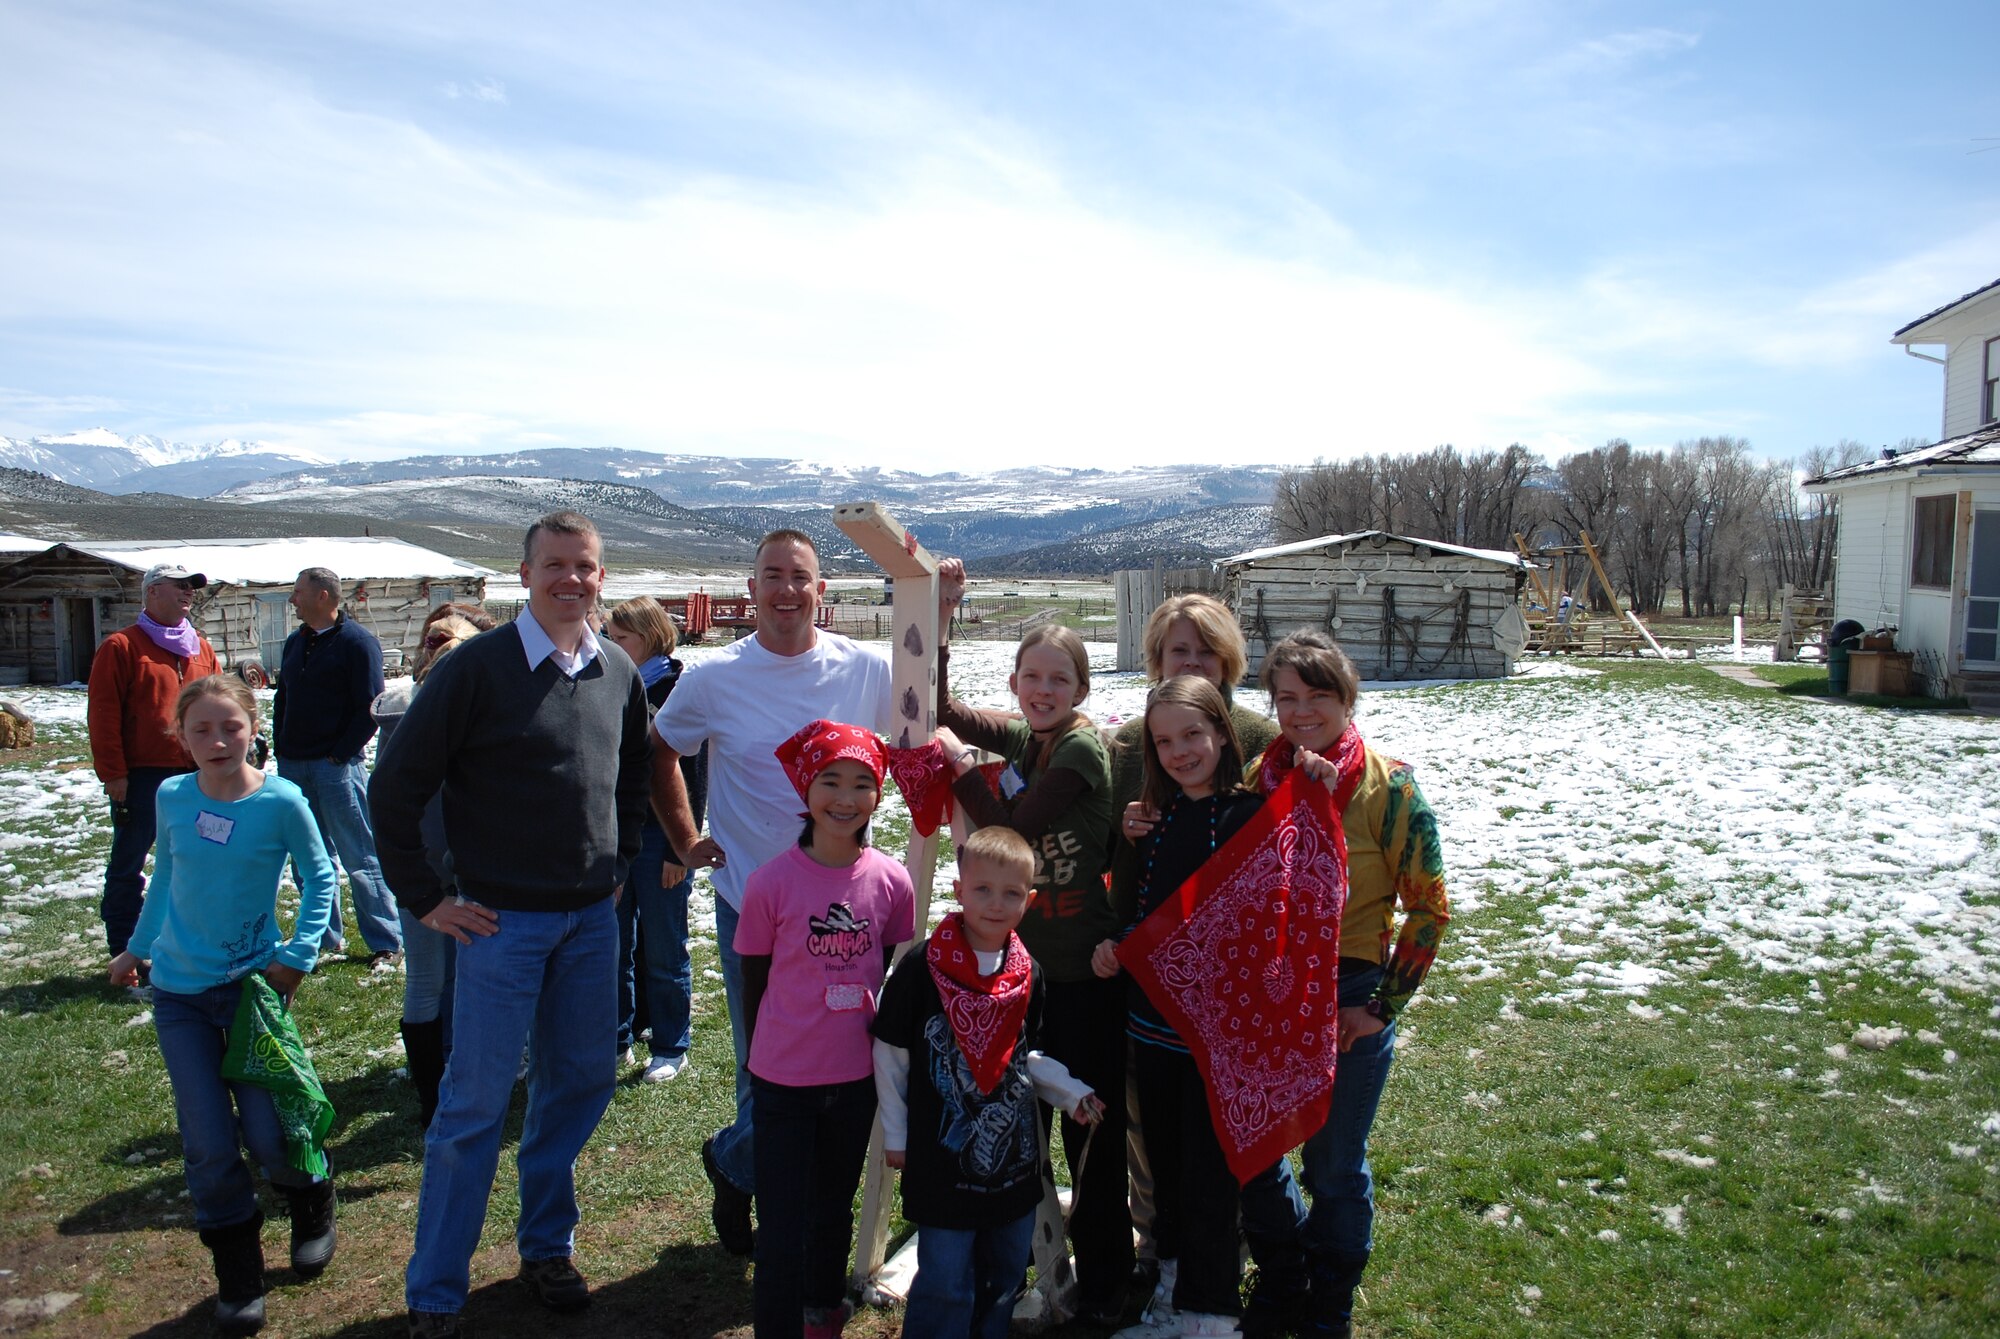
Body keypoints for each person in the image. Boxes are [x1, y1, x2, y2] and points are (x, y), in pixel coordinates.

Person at [368, 512, 653, 1338]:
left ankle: (546, 1245)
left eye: (585, 565)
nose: (572, 578)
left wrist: (620, 861)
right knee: (474, 1105)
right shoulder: (476, 669)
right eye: (554, 564)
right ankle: (435, 1289)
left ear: (602, 576)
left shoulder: (616, 670)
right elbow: (395, 786)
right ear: (524, 574)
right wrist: (425, 897)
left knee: (580, 1083)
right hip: (499, 924)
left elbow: (632, 773)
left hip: (590, 923)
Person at [649, 529, 893, 1256]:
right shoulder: (715, 678)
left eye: (801, 576)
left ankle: (737, 1163)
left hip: (846, 907)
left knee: (844, 1062)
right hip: (751, 904)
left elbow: (923, 725)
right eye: (773, 576)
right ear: (751, 588)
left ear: (822, 590)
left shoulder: (867, 670)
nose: (787, 590)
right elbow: (660, 750)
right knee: (765, 1063)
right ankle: (784, 1215)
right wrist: (684, 837)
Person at [107, 674, 340, 1336]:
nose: (217, 740)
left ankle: (313, 1198)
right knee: (208, 1144)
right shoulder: (173, 796)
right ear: (179, 737)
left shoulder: (280, 801)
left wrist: (298, 955)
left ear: (253, 727)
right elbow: (167, 878)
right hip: (179, 995)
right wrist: (136, 948)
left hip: (249, 995)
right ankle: (239, 1275)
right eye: (201, 729)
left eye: (230, 726)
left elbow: (320, 875)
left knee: (269, 1135)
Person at [1233, 631, 1450, 1339]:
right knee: (1256, 1147)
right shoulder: (1257, 780)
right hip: (1268, 991)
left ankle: (1330, 1301)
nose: (1300, 712)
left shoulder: (1391, 788)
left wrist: (1381, 1008)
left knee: (1333, 1164)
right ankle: (1286, 1272)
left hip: (1348, 989)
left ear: (1346, 698)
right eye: (1286, 698)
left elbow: (1429, 908)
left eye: (1317, 696)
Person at [930, 563, 1129, 1326]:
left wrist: (960, 769)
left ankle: (1104, 1281)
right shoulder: (1027, 737)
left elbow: (1010, 831)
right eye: (1031, 677)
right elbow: (943, 708)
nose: (1043, 690)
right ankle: (1023, 1270)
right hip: (1024, 978)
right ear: (1015, 683)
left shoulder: (1078, 750)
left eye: (1059, 679)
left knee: (1090, 1130)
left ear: (1081, 689)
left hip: (1082, 974)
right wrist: (942, 620)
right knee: (1018, 1129)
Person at [1105, 593, 1278, 1296]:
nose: (1193, 661)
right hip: (1149, 967)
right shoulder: (1130, 743)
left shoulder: (1260, 739)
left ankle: (1236, 1248)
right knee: (1151, 1119)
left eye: (1207, 650)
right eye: (1180, 650)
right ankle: (1158, 1242)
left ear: (1228, 658)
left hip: (1230, 979)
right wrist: (1125, 832)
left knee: (1224, 1124)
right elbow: (1109, 850)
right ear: (1158, 659)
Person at [872, 824, 1105, 1339]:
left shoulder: (1028, 972)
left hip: (1012, 1166)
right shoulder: (922, 968)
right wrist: (896, 1133)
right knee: (945, 1278)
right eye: (982, 889)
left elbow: (1027, 1056)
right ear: (959, 890)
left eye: (1011, 894)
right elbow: (891, 1054)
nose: (996, 904)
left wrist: (1071, 1092)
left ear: (1030, 901)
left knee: (1004, 1273)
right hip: (940, 1162)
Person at [736, 719, 914, 1339]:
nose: (846, 798)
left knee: (833, 1208)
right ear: (805, 789)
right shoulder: (770, 884)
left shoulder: (892, 881)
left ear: (878, 794)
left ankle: (821, 1311)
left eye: (862, 783)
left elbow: (881, 965)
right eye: (830, 781)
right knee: (782, 1222)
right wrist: (767, 1054)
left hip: (855, 1077)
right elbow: (755, 981)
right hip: (783, 1080)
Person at [369, 601, 496, 1130]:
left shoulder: (403, 713)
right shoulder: (471, 708)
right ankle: (451, 1085)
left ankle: (438, 1093)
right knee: (456, 980)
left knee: (435, 980)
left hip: (431, 870)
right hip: (452, 871)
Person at [87, 561, 219, 959]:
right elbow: (103, 716)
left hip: (197, 775)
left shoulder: (200, 648)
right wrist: (114, 774)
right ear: (152, 592)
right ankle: (124, 949)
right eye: (179, 585)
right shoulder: (122, 647)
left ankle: (186, 942)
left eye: (191, 586)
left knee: (197, 860)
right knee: (129, 863)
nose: (188, 591)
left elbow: (222, 705)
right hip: (142, 777)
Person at [602, 596, 708, 1084]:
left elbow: (693, 776)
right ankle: (618, 1038)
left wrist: (679, 848)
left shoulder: (676, 690)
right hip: (615, 835)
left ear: (648, 637)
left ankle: (670, 1044)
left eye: (621, 638)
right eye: (610, 637)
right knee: (614, 945)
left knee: (665, 947)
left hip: (659, 836)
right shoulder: (610, 683)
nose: (611, 645)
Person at [273, 566, 401, 964]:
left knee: (359, 854)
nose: (292, 600)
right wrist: (281, 746)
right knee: (309, 856)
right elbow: (283, 698)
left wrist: (340, 753)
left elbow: (371, 706)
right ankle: (323, 936)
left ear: (323, 596)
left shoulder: (357, 643)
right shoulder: (296, 642)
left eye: (298, 592)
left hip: (337, 768)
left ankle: (386, 941)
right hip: (294, 764)